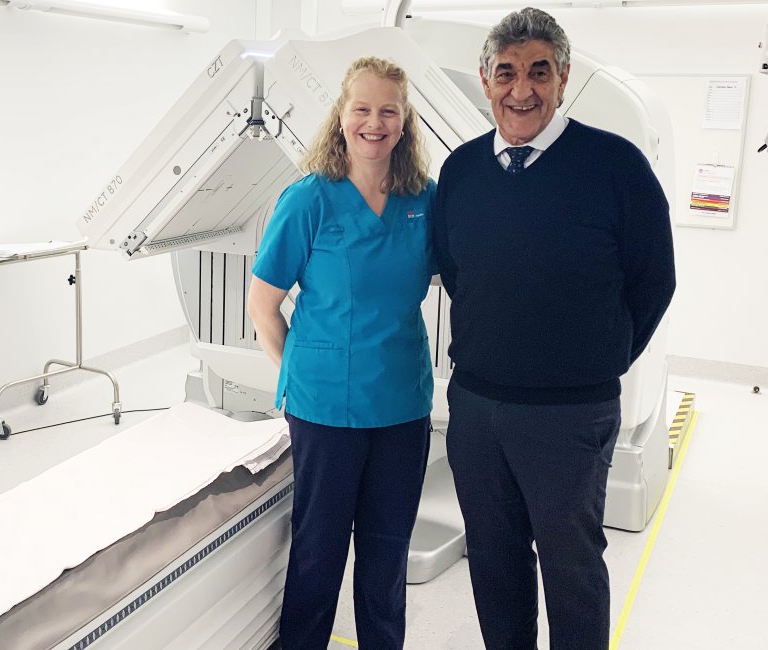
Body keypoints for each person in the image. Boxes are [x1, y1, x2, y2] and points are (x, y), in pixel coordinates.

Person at [430, 8, 676, 650]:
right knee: (493, 559)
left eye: (539, 71)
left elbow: (655, 279)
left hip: (571, 414)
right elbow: (459, 270)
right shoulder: (461, 171)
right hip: (478, 408)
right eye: (506, 72)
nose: (522, 89)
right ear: (485, 81)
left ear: (563, 77)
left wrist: (603, 358)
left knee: (572, 569)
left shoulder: (614, 166)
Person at [246, 56, 436, 650]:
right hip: (324, 410)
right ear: (341, 115)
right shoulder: (308, 201)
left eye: (388, 111)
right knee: (318, 552)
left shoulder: (425, 202)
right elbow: (263, 306)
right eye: (362, 109)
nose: (374, 123)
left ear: (404, 123)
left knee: (386, 556)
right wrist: (299, 374)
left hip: (402, 406)